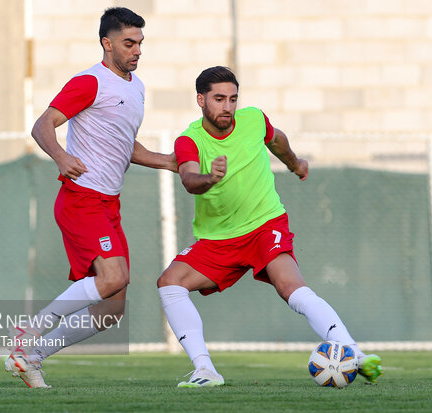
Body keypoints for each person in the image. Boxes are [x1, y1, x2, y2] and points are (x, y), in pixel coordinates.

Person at [157, 66, 383, 388]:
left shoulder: (253, 119)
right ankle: (205, 371)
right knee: (169, 283)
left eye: (232, 99)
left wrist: (295, 164)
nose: (227, 107)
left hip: (265, 225)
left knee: (291, 288)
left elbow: (276, 139)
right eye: (219, 99)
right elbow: (190, 179)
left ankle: (356, 354)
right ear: (200, 100)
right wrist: (210, 177)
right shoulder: (189, 140)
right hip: (219, 239)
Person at [4, 7, 177, 388]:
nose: (136, 51)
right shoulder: (89, 81)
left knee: (111, 309)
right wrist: (62, 156)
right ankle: (31, 330)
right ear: (107, 43)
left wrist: (173, 163)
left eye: (140, 44)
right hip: (82, 198)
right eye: (129, 43)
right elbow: (42, 124)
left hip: (108, 204)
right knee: (114, 275)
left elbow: (125, 145)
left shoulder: (136, 86)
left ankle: (30, 357)